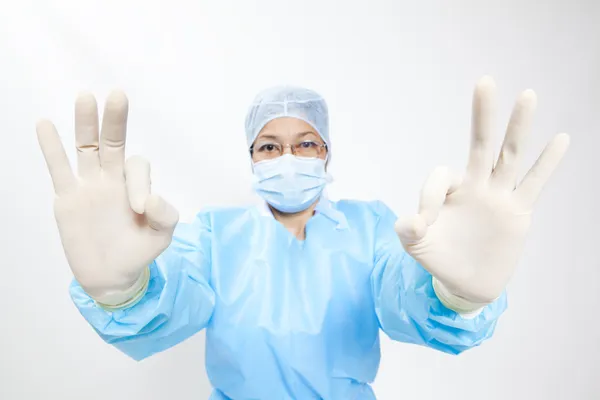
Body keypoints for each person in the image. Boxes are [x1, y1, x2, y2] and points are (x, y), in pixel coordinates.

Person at [36, 77, 570, 399]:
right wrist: (124, 291)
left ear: (327, 152)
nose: (287, 157)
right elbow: (174, 300)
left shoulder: (370, 230)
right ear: (250, 156)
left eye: (305, 143)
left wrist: (456, 297)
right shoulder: (216, 237)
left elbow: (402, 293)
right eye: (269, 146)